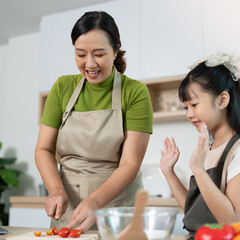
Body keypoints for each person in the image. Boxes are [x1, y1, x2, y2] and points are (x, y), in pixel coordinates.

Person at [35, 11, 153, 232]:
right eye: (80, 55)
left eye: (99, 54)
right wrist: (55, 190)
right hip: (69, 204)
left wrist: (94, 202)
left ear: (115, 50)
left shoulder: (135, 92)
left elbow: (130, 163)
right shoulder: (62, 87)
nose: (89, 64)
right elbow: (43, 149)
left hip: (119, 206)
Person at [160, 52, 240, 234]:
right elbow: (194, 210)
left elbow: (229, 219)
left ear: (222, 100)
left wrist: (199, 170)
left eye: (194, 105)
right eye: (185, 107)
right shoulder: (209, 149)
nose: (189, 114)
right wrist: (168, 172)